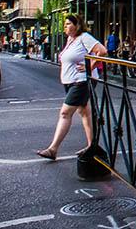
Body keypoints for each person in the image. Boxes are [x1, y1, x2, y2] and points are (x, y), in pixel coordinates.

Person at [37, 14, 107, 159]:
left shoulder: (84, 37)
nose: (65, 26)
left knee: (65, 113)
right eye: (65, 24)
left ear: (77, 25)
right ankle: (91, 146)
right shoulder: (71, 40)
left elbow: (102, 51)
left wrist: (90, 66)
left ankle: (53, 149)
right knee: (84, 113)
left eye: (69, 24)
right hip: (70, 81)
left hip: (81, 81)